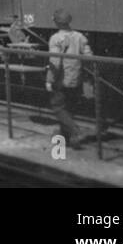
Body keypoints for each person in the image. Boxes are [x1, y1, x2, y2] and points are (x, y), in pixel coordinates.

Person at [46, 8, 92, 149]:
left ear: (56, 23)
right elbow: (89, 57)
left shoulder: (55, 39)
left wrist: (49, 80)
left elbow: (55, 61)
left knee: (57, 107)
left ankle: (75, 131)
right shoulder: (80, 36)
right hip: (76, 79)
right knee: (69, 108)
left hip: (61, 80)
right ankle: (66, 137)